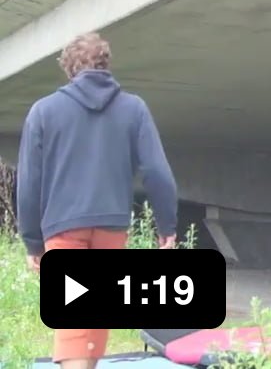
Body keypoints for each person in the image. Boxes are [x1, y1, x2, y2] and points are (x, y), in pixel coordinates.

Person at [16, 33, 178, 369]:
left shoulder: (44, 111)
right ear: (105, 65)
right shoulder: (134, 108)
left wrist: (32, 241)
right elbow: (156, 171)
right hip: (111, 226)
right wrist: (167, 226)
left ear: (69, 69)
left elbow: (29, 182)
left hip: (63, 226)